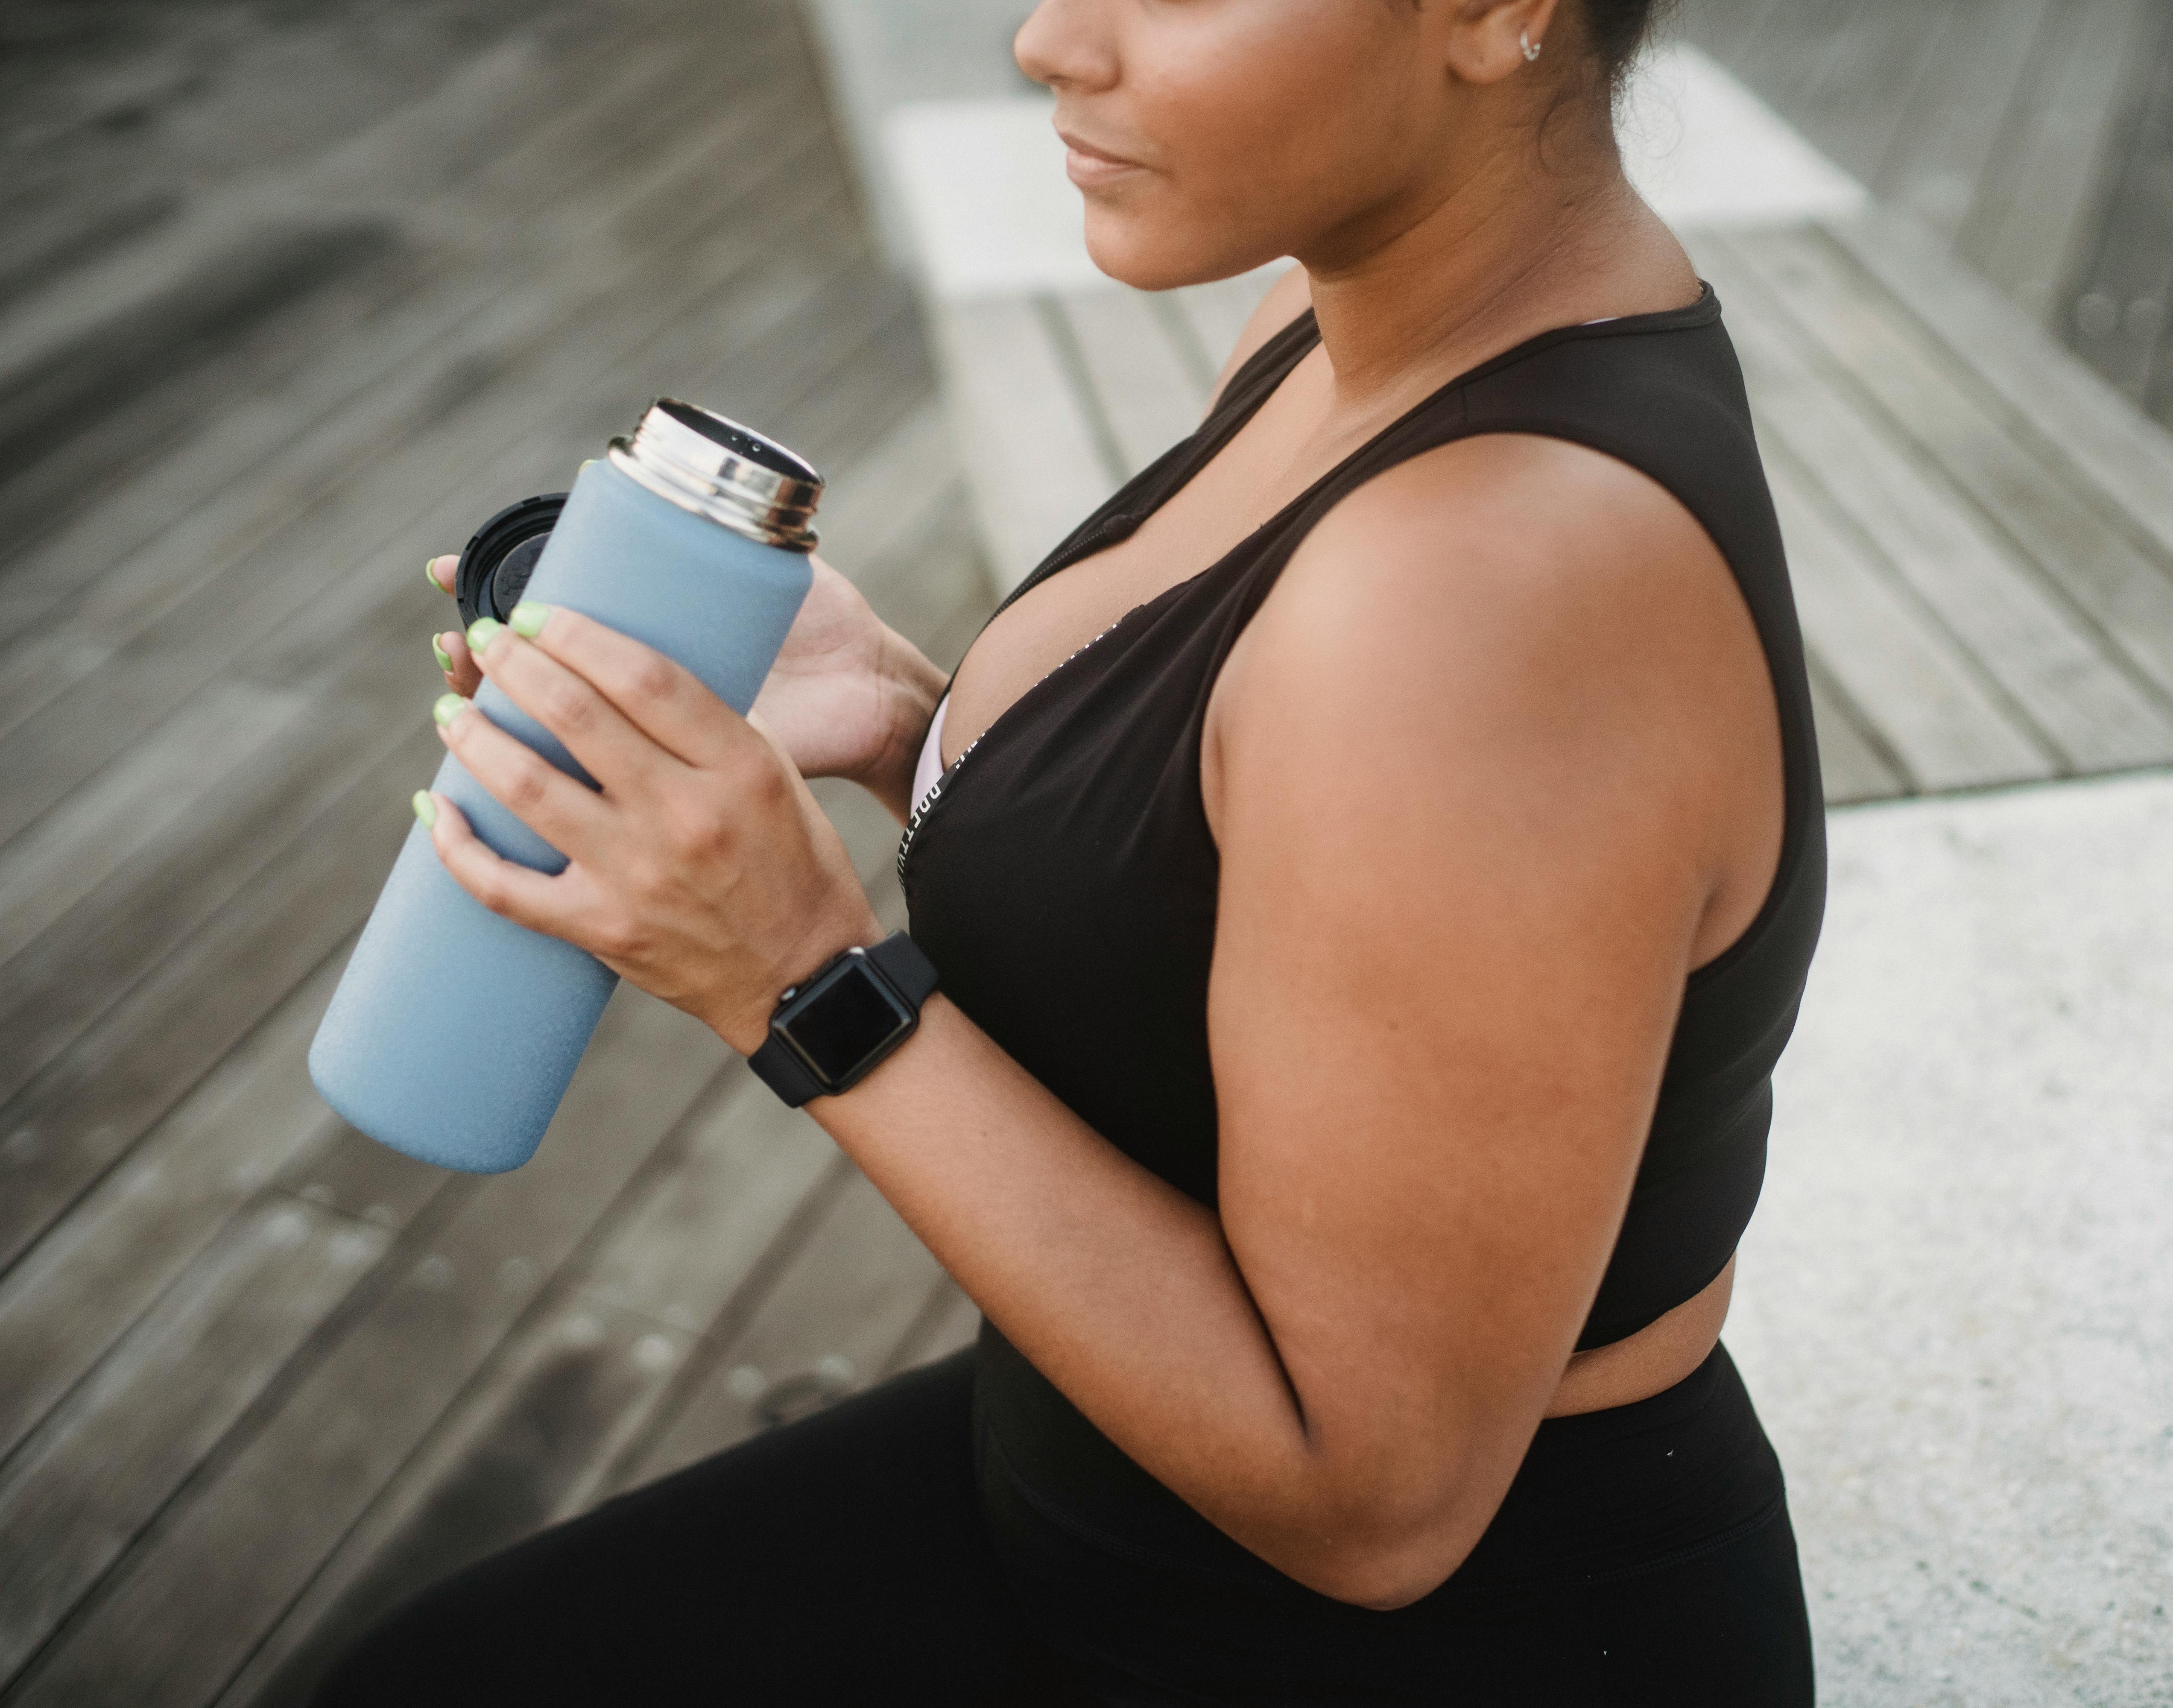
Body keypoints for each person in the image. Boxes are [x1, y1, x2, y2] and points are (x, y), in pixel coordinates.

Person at [322, 0, 1826, 1699]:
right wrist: (898, 718)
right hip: (1092, 1490)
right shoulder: (1348, 323)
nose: (1046, 37)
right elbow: (1244, 883)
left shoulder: (1481, 588)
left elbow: (1373, 1503)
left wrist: (797, 974)